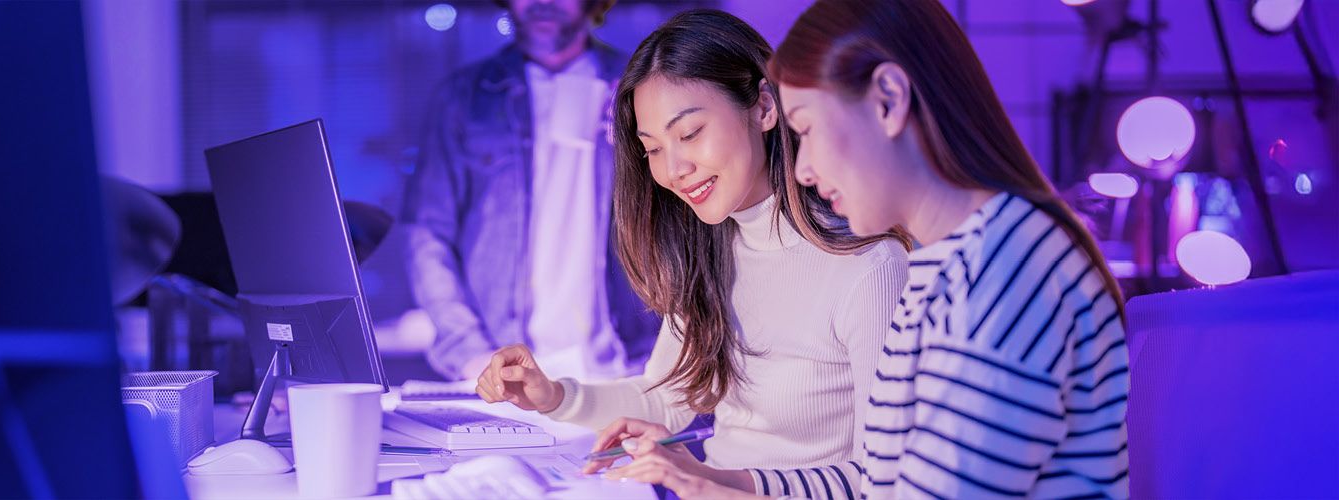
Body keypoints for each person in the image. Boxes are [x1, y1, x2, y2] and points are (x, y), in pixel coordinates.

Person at [620, 0, 1132, 498]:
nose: (803, 168)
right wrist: (718, 482)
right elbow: (883, 482)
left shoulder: (1009, 275)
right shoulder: (939, 268)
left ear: (888, 99)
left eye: (808, 129)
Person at [472, 8, 909, 488]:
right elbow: (668, 399)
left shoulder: (868, 267)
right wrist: (553, 396)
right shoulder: (711, 249)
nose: (674, 170)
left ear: (764, 107)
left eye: (690, 133)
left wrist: (712, 481)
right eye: (654, 149)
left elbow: (884, 480)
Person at [403, 0, 660, 382]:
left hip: (624, 367)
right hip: (502, 368)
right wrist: (469, 351)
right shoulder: (464, 98)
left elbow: (681, 222)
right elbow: (427, 233)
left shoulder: (640, 88)